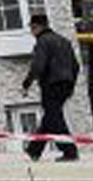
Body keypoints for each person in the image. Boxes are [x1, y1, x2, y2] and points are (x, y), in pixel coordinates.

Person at [21, 12, 80, 162]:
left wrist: (26, 84)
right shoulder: (64, 41)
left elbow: (38, 66)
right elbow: (76, 65)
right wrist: (71, 84)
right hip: (66, 84)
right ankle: (34, 150)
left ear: (37, 27)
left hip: (51, 85)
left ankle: (70, 152)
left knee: (54, 118)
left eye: (32, 29)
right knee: (50, 116)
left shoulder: (43, 42)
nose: (31, 32)